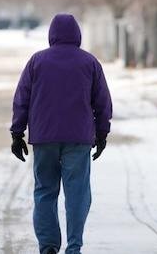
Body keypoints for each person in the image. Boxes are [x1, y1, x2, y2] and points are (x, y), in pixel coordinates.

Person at [10, 13, 113, 254]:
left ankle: (47, 246)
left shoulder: (37, 62)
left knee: (45, 191)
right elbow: (102, 102)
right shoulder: (89, 63)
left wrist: (17, 133)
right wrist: (102, 133)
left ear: (51, 35)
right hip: (79, 138)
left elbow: (22, 99)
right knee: (77, 193)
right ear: (77, 34)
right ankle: (74, 246)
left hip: (44, 138)